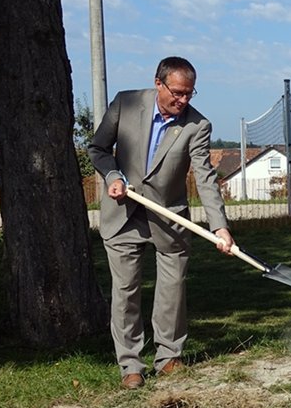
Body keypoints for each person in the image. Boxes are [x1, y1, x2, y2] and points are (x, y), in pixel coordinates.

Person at [89, 56, 234, 389]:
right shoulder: (126, 104)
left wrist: (219, 227)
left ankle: (169, 357)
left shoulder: (197, 126)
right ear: (159, 83)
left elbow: (205, 176)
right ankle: (131, 366)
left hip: (170, 217)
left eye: (189, 94)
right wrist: (112, 175)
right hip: (123, 214)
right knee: (125, 291)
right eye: (177, 93)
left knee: (172, 290)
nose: (182, 101)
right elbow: (98, 148)